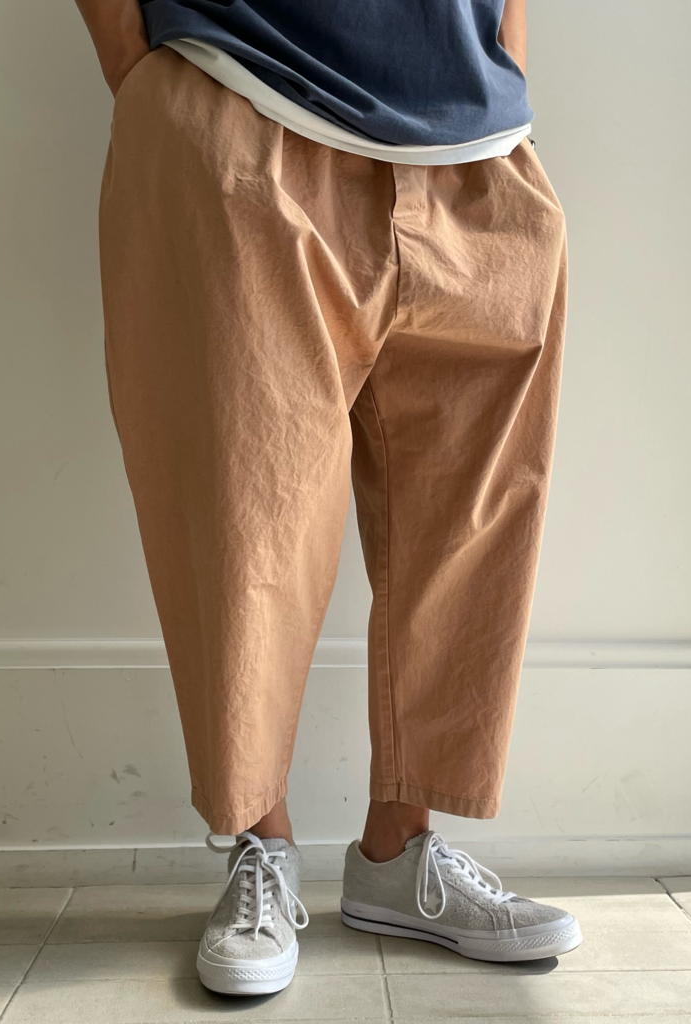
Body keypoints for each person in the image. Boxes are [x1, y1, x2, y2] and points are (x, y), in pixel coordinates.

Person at [75, 0, 579, 996]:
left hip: (475, 140)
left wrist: (504, 63)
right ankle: (259, 846)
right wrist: (135, 67)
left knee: (471, 525)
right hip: (242, 88)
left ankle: (399, 852)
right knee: (245, 517)